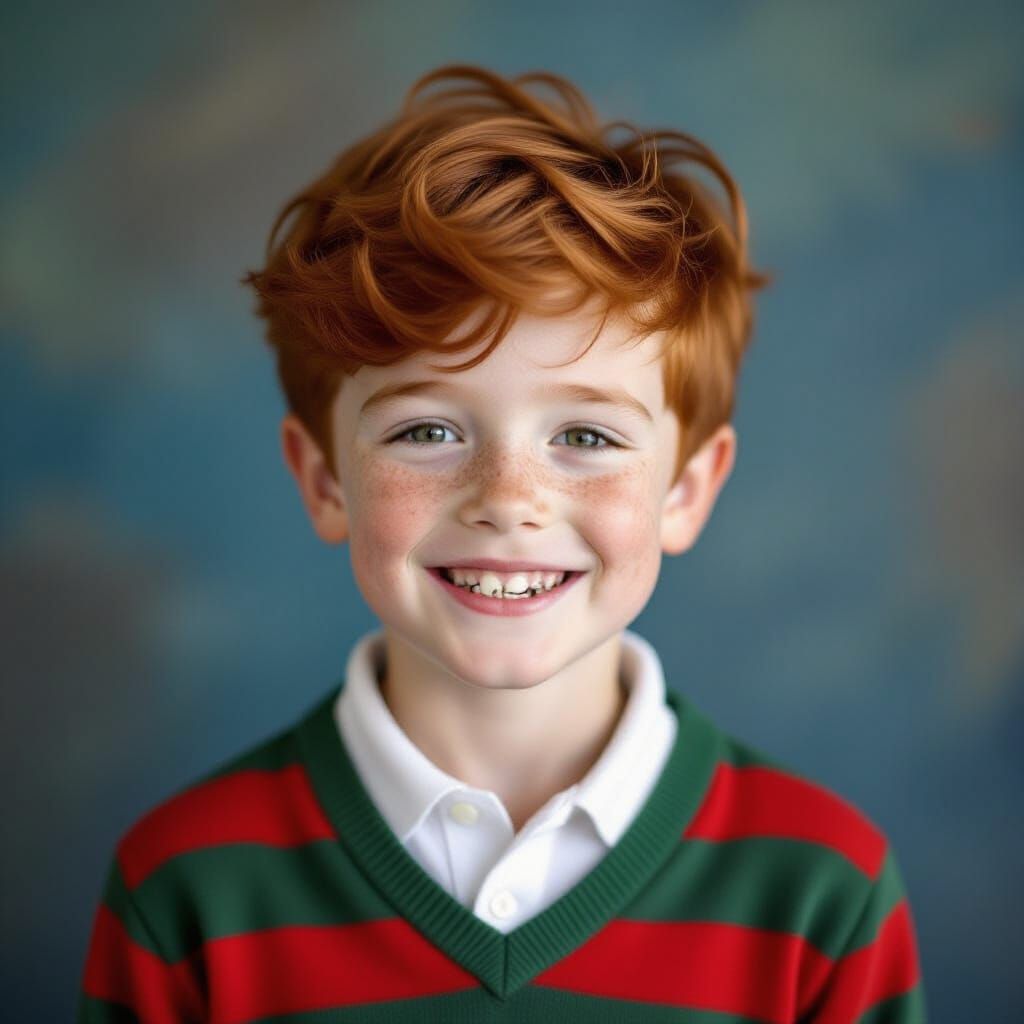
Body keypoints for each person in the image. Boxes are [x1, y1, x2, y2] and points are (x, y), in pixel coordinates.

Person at [78, 64, 926, 1022]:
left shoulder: (821, 896)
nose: (509, 500)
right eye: (427, 430)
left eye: (587, 437)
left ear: (686, 491)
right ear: (323, 481)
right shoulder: (185, 891)